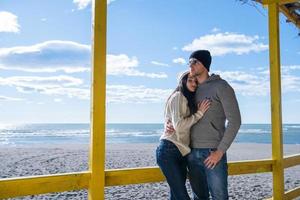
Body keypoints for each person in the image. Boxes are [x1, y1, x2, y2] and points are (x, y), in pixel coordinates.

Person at [167, 50, 241, 200]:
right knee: (199, 197)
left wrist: (220, 152)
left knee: (219, 197)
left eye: (195, 62)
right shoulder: (190, 88)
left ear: (205, 65)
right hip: (191, 152)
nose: (191, 65)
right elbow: (176, 108)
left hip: (212, 153)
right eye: (189, 63)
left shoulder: (221, 86)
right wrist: (169, 124)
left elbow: (235, 121)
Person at [156, 71, 211, 200]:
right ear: (183, 81)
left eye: (196, 81)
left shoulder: (187, 99)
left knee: (175, 196)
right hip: (169, 151)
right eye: (190, 80)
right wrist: (199, 113)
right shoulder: (178, 96)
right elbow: (179, 126)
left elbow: (175, 121)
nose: (194, 84)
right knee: (182, 196)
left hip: (181, 152)